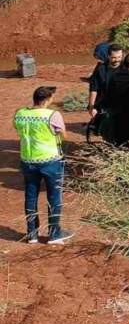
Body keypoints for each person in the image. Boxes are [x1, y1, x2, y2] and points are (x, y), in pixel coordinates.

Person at [14, 86, 70, 244]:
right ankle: (54, 234)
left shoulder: (20, 114)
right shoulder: (52, 115)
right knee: (54, 196)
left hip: (28, 160)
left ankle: (32, 234)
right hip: (51, 160)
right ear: (47, 99)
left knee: (30, 196)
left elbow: (18, 129)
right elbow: (63, 135)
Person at [99, 55, 129, 146]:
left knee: (120, 136)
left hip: (118, 112)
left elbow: (109, 94)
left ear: (124, 64)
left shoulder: (115, 76)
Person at [87, 45, 124, 139]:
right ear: (108, 56)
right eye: (114, 57)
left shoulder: (125, 68)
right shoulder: (101, 69)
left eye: (119, 57)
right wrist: (91, 106)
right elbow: (94, 88)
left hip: (121, 103)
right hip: (104, 102)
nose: (117, 60)